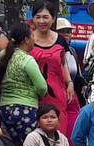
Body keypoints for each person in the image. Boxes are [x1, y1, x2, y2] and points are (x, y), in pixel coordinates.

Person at [0, 22, 47, 146]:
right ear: (26, 39)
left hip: (5, 108)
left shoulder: (3, 55)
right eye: (32, 36)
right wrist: (36, 94)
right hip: (25, 109)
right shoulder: (27, 60)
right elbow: (42, 87)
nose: (34, 39)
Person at [30, 2, 73, 137]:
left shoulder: (60, 40)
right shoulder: (27, 39)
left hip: (58, 94)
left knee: (59, 135)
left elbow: (63, 63)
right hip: (33, 95)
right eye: (38, 17)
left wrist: (70, 83)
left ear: (53, 18)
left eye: (45, 17)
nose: (41, 21)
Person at [55, 18, 83, 146]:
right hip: (55, 93)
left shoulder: (71, 51)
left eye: (68, 32)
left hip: (72, 95)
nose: (66, 35)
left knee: (74, 130)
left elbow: (77, 73)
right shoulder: (52, 49)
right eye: (62, 32)